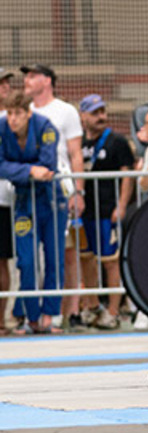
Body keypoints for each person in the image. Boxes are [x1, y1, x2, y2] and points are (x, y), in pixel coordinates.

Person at [22, 64, 84, 325]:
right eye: (26, 75)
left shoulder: (65, 111)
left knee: (63, 252)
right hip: (29, 190)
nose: (27, 79)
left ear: (47, 80)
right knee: (29, 256)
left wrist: (78, 191)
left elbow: (75, 154)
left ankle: (65, 311)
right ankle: (33, 315)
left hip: (60, 189)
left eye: (32, 75)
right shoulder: (23, 112)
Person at [0, 91, 61, 334]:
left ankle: (50, 314)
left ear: (28, 113)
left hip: (51, 198)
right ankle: (30, 316)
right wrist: (29, 171)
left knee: (54, 256)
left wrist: (34, 171)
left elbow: (48, 165)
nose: (13, 119)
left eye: (18, 114)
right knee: (25, 260)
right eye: (9, 113)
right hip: (23, 200)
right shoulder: (2, 128)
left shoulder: (46, 127)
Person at [78, 94, 134, 330]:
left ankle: (113, 311)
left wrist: (121, 205)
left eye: (103, 111)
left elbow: (127, 176)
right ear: (83, 116)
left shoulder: (117, 141)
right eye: (95, 112)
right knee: (86, 259)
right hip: (84, 212)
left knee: (111, 261)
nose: (101, 116)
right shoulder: (77, 142)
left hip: (107, 210)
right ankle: (92, 308)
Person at [0, 69, 15, 332]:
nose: (4, 87)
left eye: (5, 83)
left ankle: (1, 320)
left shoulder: (13, 119)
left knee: (2, 261)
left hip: (4, 200)